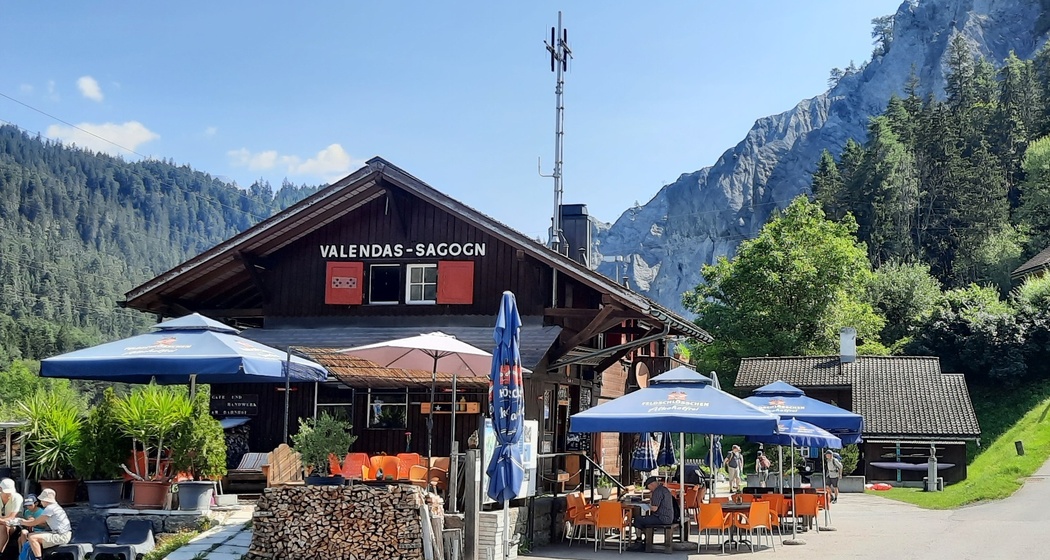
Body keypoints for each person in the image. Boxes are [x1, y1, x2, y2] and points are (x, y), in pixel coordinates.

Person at [13, 488, 71, 558]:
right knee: (31, 535)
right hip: (62, 534)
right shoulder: (55, 507)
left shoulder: (50, 508)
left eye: (41, 500)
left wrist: (20, 521)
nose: (41, 502)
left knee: (33, 537)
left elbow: (35, 522)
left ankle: (38, 558)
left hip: (61, 536)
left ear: (45, 500)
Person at [630, 476, 675, 551]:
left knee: (638, 519)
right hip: (668, 517)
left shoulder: (657, 492)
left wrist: (646, 505)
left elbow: (654, 508)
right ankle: (646, 538)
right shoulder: (664, 489)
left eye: (648, 487)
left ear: (651, 485)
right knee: (645, 519)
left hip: (661, 518)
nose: (649, 489)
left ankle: (639, 541)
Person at [0, 478, 23, 554]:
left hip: (13, 524)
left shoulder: (17, 497)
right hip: (2, 522)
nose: (8, 494)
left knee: (3, 527)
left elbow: (12, 516)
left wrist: (2, 521)